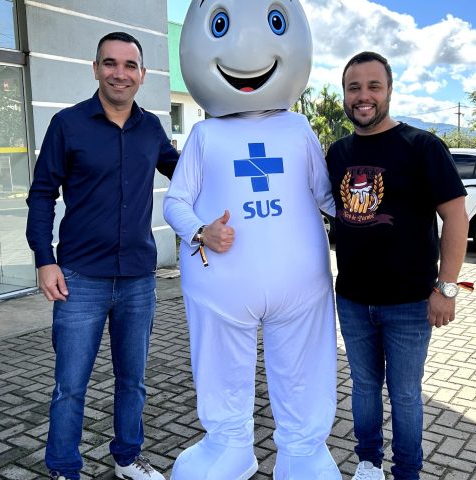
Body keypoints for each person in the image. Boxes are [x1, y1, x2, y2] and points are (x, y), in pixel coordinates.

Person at [162, 1, 341, 479]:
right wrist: (201, 230)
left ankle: (303, 451)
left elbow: (327, 196)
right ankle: (229, 446)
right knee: (220, 368)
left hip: (300, 286)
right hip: (222, 285)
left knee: (304, 367)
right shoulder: (204, 135)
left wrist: (375, 222)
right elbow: (175, 202)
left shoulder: (299, 128)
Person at [25, 31, 178, 480]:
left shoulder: (151, 128)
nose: (120, 73)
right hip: (80, 278)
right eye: (110, 63)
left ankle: (127, 458)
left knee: (134, 381)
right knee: (70, 386)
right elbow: (42, 194)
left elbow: (187, 171)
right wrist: (44, 258)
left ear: (142, 75)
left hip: (138, 278)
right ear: (95, 69)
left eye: (130, 65)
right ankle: (64, 468)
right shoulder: (68, 124)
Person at [325, 51, 469, 480]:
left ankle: (407, 472)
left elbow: (456, 217)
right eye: (354, 87)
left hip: (410, 302)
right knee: (364, 387)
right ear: (344, 95)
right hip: (353, 299)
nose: (363, 96)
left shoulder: (422, 146)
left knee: (405, 394)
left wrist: (446, 288)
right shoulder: (337, 152)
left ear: (389, 90)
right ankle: (368, 464)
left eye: (373, 86)